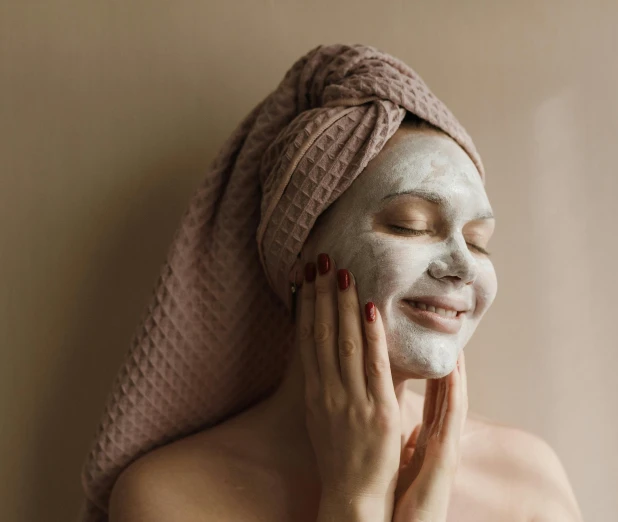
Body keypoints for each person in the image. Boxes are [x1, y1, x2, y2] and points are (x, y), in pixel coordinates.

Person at [80, 44, 582, 522]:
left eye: (478, 240)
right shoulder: (171, 497)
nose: (462, 266)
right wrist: (354, 500)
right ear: (301, 256)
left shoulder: (528, 480)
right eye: (409, 224)